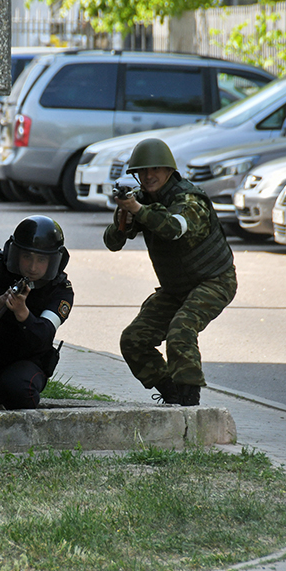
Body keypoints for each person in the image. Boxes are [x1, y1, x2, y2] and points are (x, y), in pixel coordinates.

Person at [103, 138, 237, 406]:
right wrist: (124, 218)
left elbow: (175, 228)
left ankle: (189, 402)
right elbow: (112, 244)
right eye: (142, 171)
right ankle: (171, 394)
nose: (148, 176)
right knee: (133, 340)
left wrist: (139, 211)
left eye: (155, 170)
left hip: (214, 280)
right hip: (176, 288)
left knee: (181, 329)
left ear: (169, 170)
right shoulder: (139, 201)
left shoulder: (189, 199)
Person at [0, 215, 74, 409]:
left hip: (26, 360)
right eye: (27, 257)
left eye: (41, 259)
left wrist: (23, 313)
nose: (33, 267)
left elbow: (44, 334)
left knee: (18, 390)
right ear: (16, 253)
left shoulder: (60, 291)